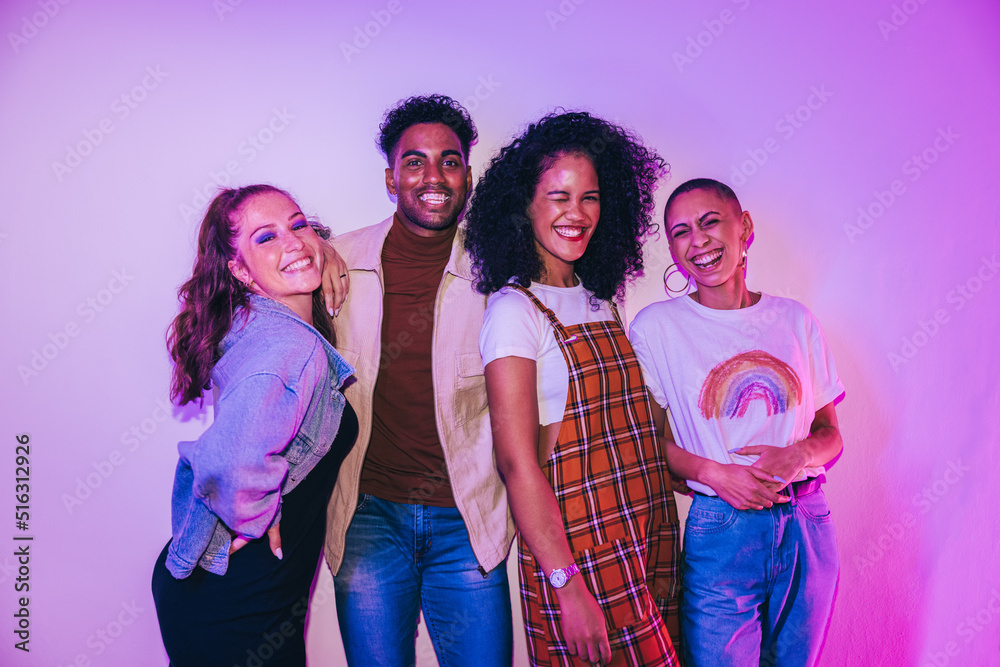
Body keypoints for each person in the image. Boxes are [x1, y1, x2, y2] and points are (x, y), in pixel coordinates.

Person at [466, 111, 681, 666]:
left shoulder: (599, 298)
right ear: (523, 206)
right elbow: (517, 465)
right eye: (558, 196)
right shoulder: (514, 311)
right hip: (580, 547)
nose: (577, 213)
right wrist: (565, 585)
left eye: (589, 197)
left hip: (644, 525)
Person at [325, 94, 515, 666]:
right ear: (391, 177)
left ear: (468, 176)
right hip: (367, 517)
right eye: (415, 162)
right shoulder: (336, 262)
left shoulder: (499, 269)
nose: (434, 176)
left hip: (468, 517)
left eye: (449, 161)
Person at [629, 178, 845, 667]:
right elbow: (648, 444)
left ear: (743, 226)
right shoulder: (657, 328)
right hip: (720, 529)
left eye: (710, 222)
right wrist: (715, 474)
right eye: (682, 231)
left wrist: (800, 454)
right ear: (672, 247)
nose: (699, 241)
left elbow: (831, 434)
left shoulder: (795, 320)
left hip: (807, 524)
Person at [151, 184, 358, 666]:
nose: (292, 241)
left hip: (214, 586)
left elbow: (295, 248)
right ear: (239, 270)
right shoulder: (290, 346)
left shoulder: (251, 323)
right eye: (265, 237)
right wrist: (256, 512)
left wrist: (318, 249)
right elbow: (232, 460)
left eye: (299, 224)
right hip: (238, 604)